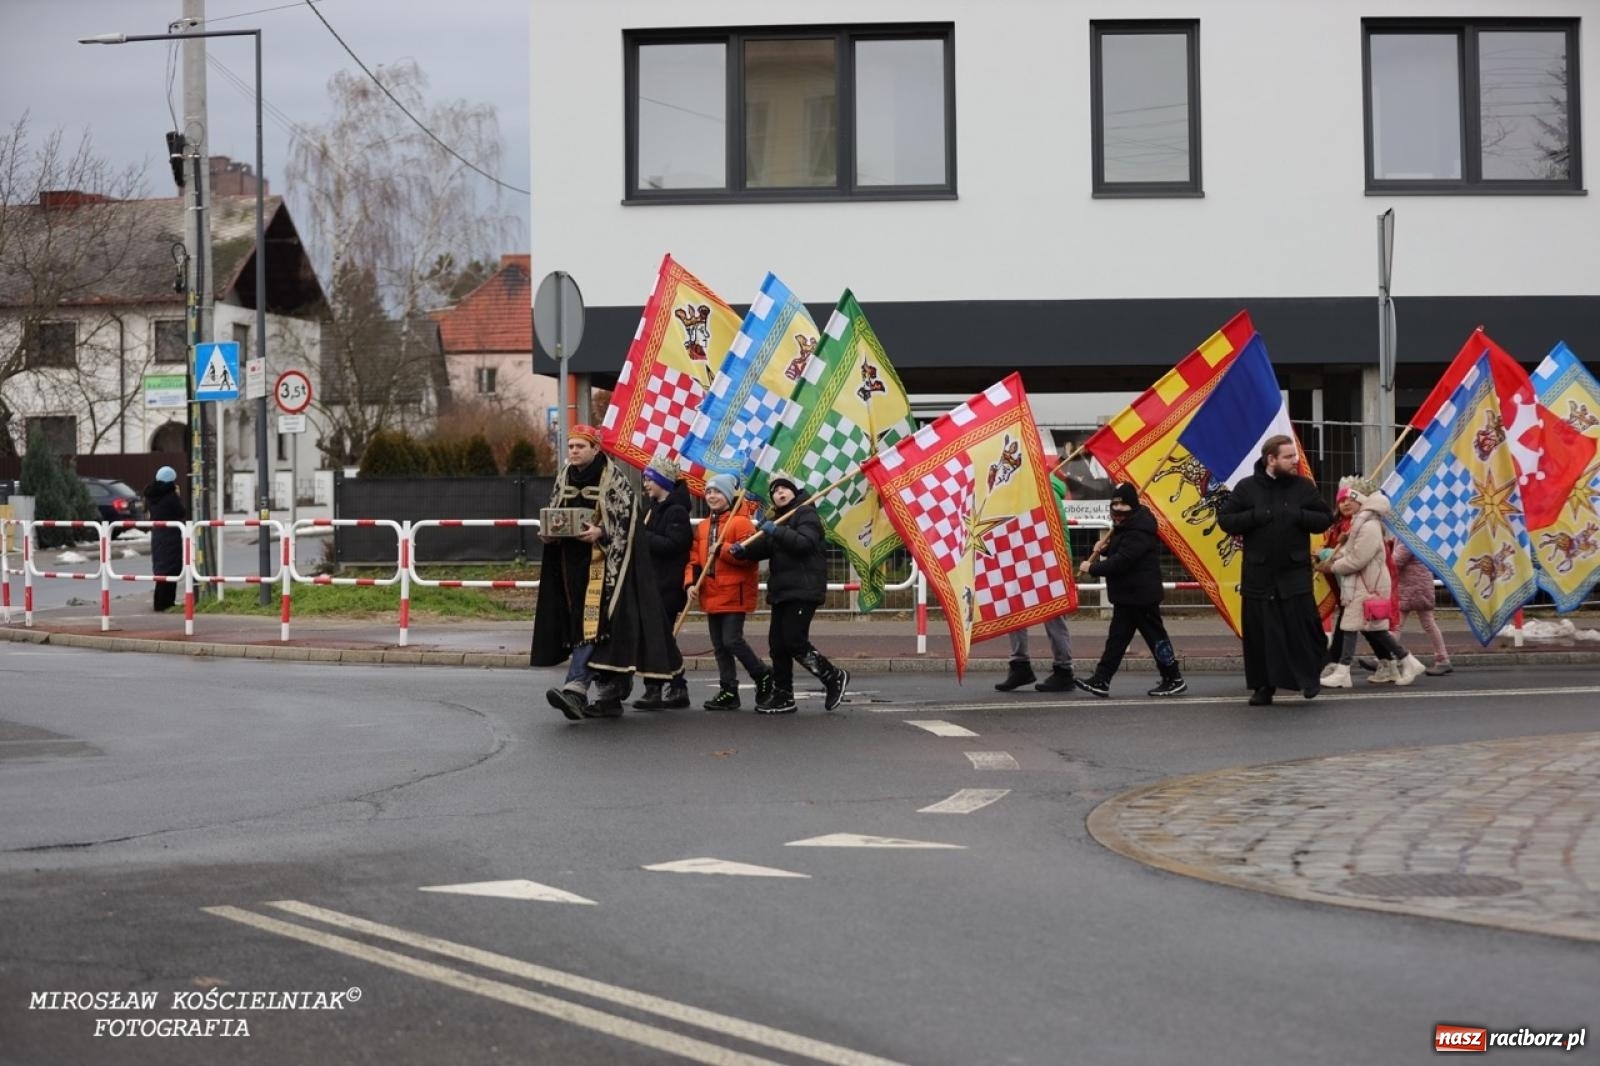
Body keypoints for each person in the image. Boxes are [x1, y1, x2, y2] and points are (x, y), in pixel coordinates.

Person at [531, 426, 681, 720]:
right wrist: (549, 534)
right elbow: (555, 510)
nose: (574, 451)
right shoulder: (564, 476)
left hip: (607, 567)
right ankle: (610, 695)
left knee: (594, 626)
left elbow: (628, 521)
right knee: (589, 628)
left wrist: (602, 532)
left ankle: (575, 689)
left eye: (580, 446)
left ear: (595, 448)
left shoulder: (614, 479)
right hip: (571, 566)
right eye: (571, 446)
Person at [1216, 435, 1334, 706]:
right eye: (1288, 457)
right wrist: (1255, 516)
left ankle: (1309, 679)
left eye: (1294, 456)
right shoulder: (1247, 488)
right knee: (1262, 634)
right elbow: (1226, 521)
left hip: (1294, 572)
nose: (1295, 461)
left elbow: (1324, 519)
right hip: (1259, 574)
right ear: (1271, 459)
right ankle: (1263, 687)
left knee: (1303, 628)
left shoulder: (1303, 487)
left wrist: (1298, 515)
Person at [731, 471, 849, 714]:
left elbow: (805, 543)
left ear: (794, 491)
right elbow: (765, 546)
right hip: (783, 590)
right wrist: (744, 551)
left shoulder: (805, 513)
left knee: (794, 640)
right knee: (777, 644)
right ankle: (784, 695)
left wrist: (776, 531)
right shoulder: (778, 518)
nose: (779, 493)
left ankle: (833, 676)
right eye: (775, 491)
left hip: (804, 588)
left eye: (783, 488)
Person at [1074, 482, 1185, 697]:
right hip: (1128, 596)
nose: (1117, 509)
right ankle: (1101, 679)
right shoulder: (1126, 525)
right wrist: (1104, 549)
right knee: (1117, 640)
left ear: (1132, 506)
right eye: (1114, 505)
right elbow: (1120, 551)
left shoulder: (1139, 529)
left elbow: (1123, 561)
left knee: (1155, 638)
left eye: (1122, 505)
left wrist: (1092, 568)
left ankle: (1173, 678)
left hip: (1141, 596)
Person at [1315, 488, 1427, 687]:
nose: (1346, 503)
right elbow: (1352, 553)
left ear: (1361, 502)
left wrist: (1331, 566)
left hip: (1367, 585)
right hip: (1362, 584)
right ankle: (1406, 661)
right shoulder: (1361, 524)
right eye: (1342, 500)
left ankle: (1343, 672)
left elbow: (1358, 559)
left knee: (1353, 627)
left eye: (1351, 499)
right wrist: (1333, 553)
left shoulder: (1369, 526)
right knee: (1369, 630)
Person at [685, 473, 774, 711]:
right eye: (709, 492)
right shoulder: (703, 526)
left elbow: (749, 558)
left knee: (732, 640)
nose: (712, 496)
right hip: (710, 592)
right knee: (719, 645)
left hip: (735, 592)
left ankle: (762, 674)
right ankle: (728, 689)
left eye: (717, 492)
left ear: (727, 495)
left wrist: (723, 549)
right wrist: (691, 583)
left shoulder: (741, 523)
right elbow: (694, 559)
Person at [997, 449, 1076, 692]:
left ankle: (1062, 669)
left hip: (1047, 559)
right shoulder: (1031, 487)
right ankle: (1022, 665)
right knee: (1016, 609)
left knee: (1052, 614)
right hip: (1031, 558)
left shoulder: (1041, 490)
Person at [632, 455, 693, 711]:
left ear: (663, 482)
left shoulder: (676, 511)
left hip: (667, 585)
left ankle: (656, 689)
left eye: (650, 479)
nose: (646, 484)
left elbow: (675, 545)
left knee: (658, 639)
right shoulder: (653, 508)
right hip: (652, 583)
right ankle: (676, 687)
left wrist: (643, 536)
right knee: (659, 639)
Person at [1391, 539, 1452, 676]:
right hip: (1418, 585)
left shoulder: (1407, 539)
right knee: (1427, 624)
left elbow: (1395, 561)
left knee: (1397, 624)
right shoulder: (1413, 536)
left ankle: (1384, 658)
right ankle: (1443, 659)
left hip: (1412, 587)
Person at [142, 465, 186, 612]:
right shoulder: (170, 496)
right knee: (171, 569)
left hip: (158, 535)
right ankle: (167, 602)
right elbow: (180, 512)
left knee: (161, 568)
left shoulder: (151, 495)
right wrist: (177, 496)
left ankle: (159, 601)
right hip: (171, 535)